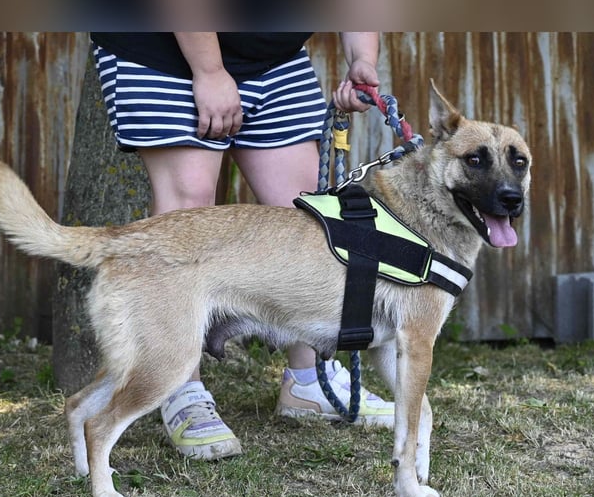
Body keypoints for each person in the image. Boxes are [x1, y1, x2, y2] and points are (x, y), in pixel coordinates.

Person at [89, 32, 395, 460]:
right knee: (186, 208)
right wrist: (210, 72)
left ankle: (308, 383)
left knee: (310, 217)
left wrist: (363, 57)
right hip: (165, 51)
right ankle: (182, 391)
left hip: (272, 55)